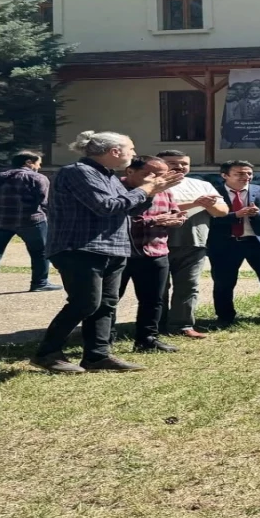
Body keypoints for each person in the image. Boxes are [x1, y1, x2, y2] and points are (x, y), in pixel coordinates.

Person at [32, 131, 183, 374]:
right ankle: (47, 353)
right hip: (80, 248)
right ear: (114, 151)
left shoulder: (108, 176)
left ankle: (97, 356)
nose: (133, 154)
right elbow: (106, 207)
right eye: (131, 149)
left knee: (106, 304)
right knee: (85, 303)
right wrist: (146, 189)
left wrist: (151, 191)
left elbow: (128, 208)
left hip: (111, 248)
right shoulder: (78, 172)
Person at [208, 160, 260, 326]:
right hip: (226, 244)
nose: (246, 177)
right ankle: (225, 316)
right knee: (223, 281)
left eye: (249, 173)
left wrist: (259, 214)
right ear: (225, 175)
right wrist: (235, 215)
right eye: (239, 173)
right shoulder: (214, 194)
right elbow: (209, 219)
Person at [120, 156, 190, 353]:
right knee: (109, 299)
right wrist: (155, 220)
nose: (156, 179)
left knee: (154, 299)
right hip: (122, 253)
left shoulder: (165, 190)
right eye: (148, 174)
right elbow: (115, 219)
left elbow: (175, 212)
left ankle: (147, 339)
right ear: (130, 172)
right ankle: (101, 339)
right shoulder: (116, 189)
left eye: (161, 175)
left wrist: (177, 219)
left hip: (156, 251)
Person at [157, 150, 228, 338]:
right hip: (157, 242)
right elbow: (154, 209)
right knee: (158, 287)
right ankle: (156, 324)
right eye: (172, 163)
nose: (179, 167)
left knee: (188, 285)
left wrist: (206, 204)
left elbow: (221, 211)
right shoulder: (153, 185)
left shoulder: (202, 185)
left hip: (194, 242)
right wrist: (195, 203)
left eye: (184, 163)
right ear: (159, 163)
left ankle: (182, 324)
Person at [0, 150, 61, 301]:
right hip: (30, 220)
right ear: (28, 162)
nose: (39, 167)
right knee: (40, 252)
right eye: (38, 163)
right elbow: (45, 201)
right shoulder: (37, 177)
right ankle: (40, 282)